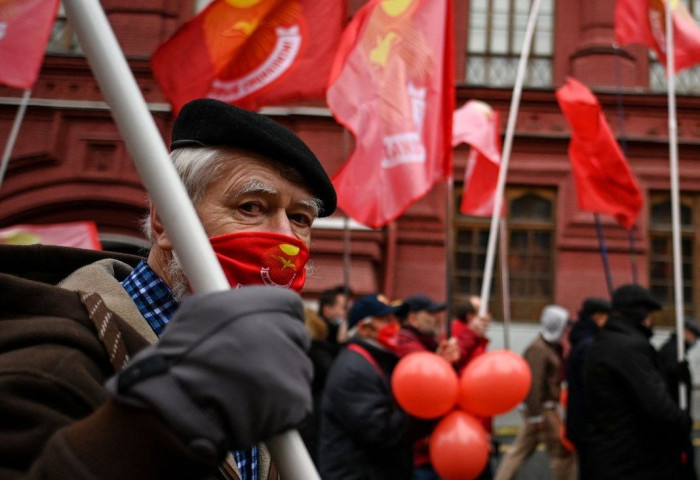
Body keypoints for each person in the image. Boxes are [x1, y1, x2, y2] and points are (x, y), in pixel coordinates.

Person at [0, 98, 337, 479]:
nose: (282, 237)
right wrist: (162, 420)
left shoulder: (261, 373)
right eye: (251, 207)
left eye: (299, 217)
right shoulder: (50, 357)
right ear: (164, 221)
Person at [584, 284, 692, 479]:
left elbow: (626, 389)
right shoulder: (631, 348)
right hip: (633, 460)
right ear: (641, 316)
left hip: (607, 455)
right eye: (649, 316)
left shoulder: (602, 342)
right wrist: (683, 421)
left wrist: (668, 375)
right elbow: (657, 406)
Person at [318, 294, 414, 480]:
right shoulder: (354, 369)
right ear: (364, 328)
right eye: (385, 320)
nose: (395, 325)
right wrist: (417, 408)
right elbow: (381, 432)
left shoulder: (375, 360)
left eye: (395, 318)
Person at [494, 305, 575, 480]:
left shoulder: (549, 347)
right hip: (544, 410)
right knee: (563, 453)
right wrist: (537, 415)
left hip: (542, 410)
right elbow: (534, 384)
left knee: (519, 451)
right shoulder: (538, 349)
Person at [395, 294, 459, 480]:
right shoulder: (408, 346)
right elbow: (427, 384)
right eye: (430, 314)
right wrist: (441, 362)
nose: (436, 319)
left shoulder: (423, 343)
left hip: (426, 443)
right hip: (419, 445)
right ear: (412, 318)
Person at [302, 286, 352, 463]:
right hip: (313, 420)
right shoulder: (315, 342)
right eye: (343, 307)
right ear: (327, 309)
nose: (346, 313)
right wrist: (341, 345)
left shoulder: (329, 339)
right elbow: (333, 374)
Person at [564, 297, 610, 479]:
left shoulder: (581, 339)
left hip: (580, 421)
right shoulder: (589, 345)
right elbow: (592, 387)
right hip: (587, 425)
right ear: (598, 317)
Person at [657, 317, 700, 480]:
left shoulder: (672, 350)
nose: (694, 341)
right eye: (693, 336)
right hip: (674, 419)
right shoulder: (673, 352)